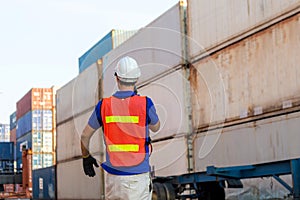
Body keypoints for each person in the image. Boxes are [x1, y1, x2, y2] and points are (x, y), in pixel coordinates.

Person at [80, 56, 160, 200]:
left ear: (117, 78)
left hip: (113, 179)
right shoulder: (145, 103)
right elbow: (156, 127)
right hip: (137, 177)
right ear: (137, 79)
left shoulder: (104, 105)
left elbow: (85, 136)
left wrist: (86, 157)